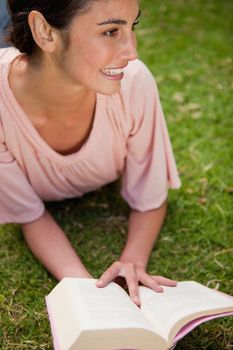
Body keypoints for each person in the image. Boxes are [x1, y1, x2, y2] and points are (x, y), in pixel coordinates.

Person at [0, 0, 181, 306]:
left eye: (131, 27)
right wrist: (88, 288)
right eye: (111, 31)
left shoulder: (134, 82)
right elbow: (30, 215)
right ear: (45, 32)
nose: (132, 53)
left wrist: (133, 264)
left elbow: (150, 197)